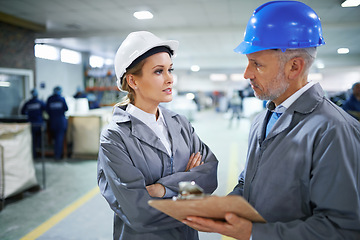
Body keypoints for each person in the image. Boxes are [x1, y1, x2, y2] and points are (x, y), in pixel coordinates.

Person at [183, 1, 360, 239]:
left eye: (257, 64)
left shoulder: (334, 130)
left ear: (294, 67)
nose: (247, 74)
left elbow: (341, 229)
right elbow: (249, 184)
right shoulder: (261, 120)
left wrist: (253, 233)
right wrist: (221, 209)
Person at [97, 31, 218, 240]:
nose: (170, 79)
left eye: (170, 69)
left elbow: (209, 174)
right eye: (158, 71)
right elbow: (140, 213)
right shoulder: (115, 138)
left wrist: (162, 189)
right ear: (133, 81)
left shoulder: (180, 123)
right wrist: (190, 190)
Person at [21, 88, 46, 158]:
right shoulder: (40, 102)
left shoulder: (28, 103)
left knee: (32, 141)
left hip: (31, 124)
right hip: (39, 124)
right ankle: (40, 155)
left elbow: (22, 112)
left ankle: (33, 155)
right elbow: (46, 109)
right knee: (40, 140)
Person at [46, 86, 68, 160]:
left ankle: (56, 154)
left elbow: (47, 110)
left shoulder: (50, 99)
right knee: (60, 139)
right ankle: (58, 156)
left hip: (53, 122)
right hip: (60, 122)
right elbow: (66, 108)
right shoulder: (61, 99)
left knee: (55, 139)